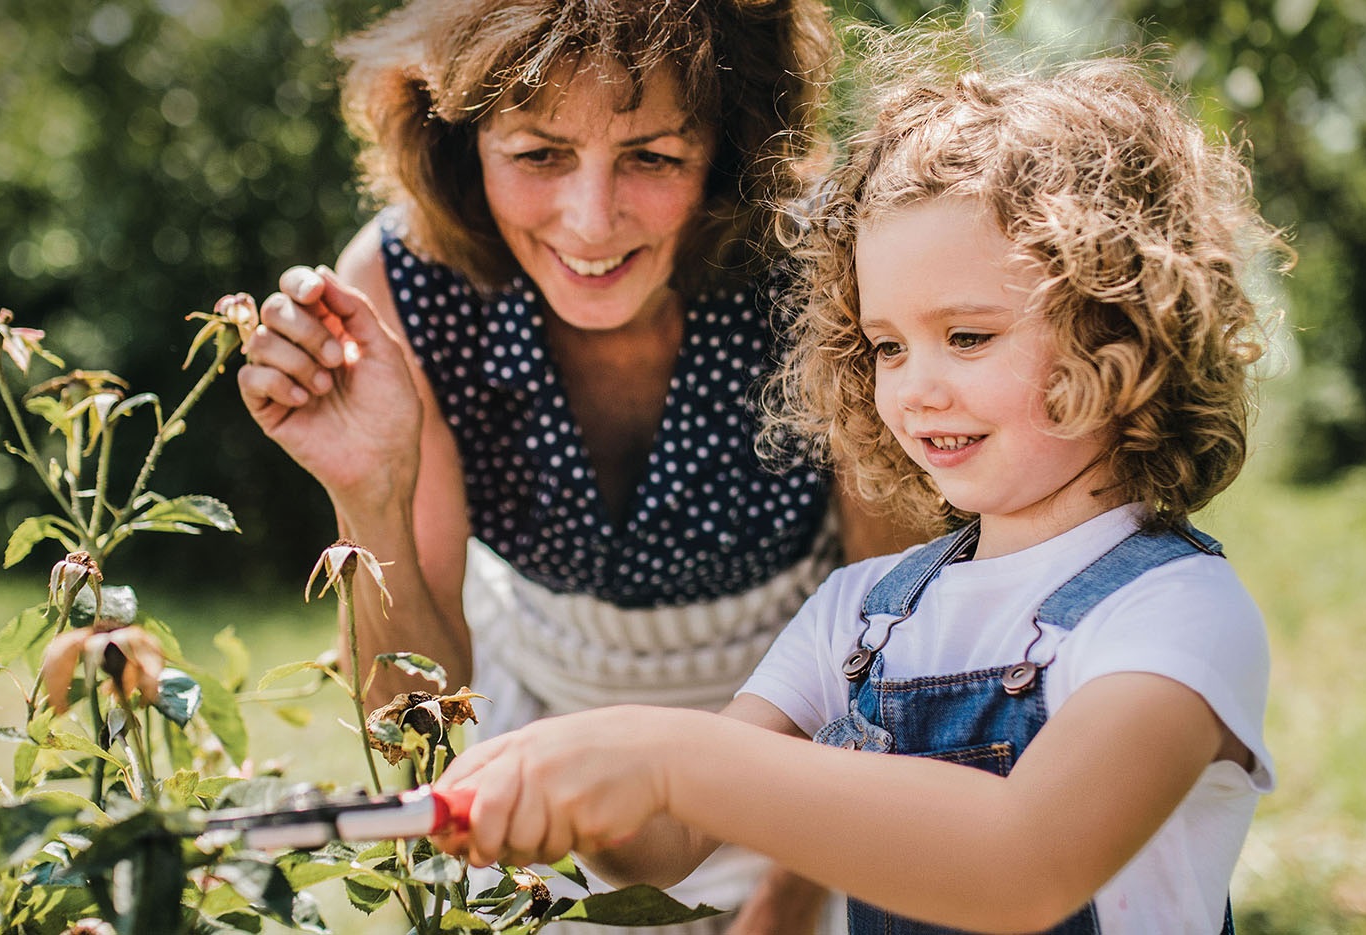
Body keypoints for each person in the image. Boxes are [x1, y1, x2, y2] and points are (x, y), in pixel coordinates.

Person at [432, 35, 1284, 935]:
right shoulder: (862, 616)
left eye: (967, 336)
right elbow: (669, 840)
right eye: (886, 345)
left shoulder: (1174, 614)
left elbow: (1021, 865)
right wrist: (570, 782)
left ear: (1124, 329)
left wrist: (665, 755)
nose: (914, 387)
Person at [232, 0, 922, 929]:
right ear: (458, 138)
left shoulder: (820, 265)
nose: (591, 221)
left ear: (728, 147)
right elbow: (415, 731)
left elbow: (891, 619)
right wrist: (370, 496)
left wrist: (802, 879)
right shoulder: (405, 286)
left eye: (653, 156)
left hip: (801, 752)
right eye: (537, 153)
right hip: (535, 745)